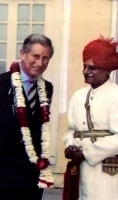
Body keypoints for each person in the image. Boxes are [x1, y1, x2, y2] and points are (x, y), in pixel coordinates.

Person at [0, 34, 55, 200]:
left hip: (30, 170)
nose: (40, 63)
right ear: (23, 54)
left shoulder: (47, 88)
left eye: (45, 58)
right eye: (36, 56)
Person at [63, 37, 118, 200]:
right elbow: (71, 131)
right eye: (84, 66)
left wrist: (87, 153)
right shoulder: (78, 96)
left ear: (106, 70)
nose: (86, 71)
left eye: (92, 67)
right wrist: (70, 145)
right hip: (79, 169)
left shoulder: (115, 95)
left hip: (106, 172)